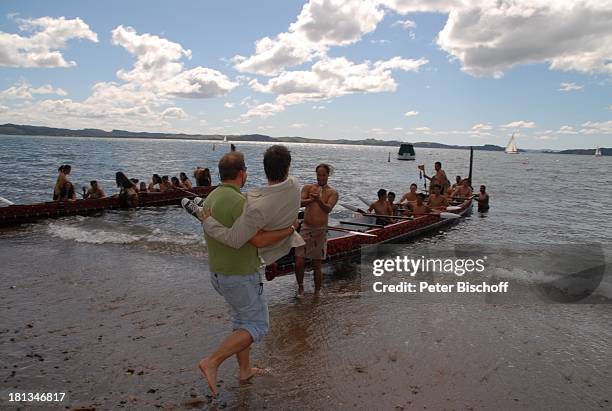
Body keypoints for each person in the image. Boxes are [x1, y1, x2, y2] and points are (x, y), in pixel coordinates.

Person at [195, 151, 300, 396]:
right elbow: (257, 240)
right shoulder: (241, 203)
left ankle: (245, 370)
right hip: (239, 275)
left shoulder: (211, 197)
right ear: (243, 173)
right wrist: (289, 230)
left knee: (242, 322)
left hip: (219, 273)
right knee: (258, 326)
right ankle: (212, 361)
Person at [200, 145, 304, 266]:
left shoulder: (255, 206)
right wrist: (291, 228)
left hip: (226, 267)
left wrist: (207, 222)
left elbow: (235, 239)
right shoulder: (295, 185)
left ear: (265, 169)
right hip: (278, 251)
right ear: (288, 168)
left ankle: (199, 209)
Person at [294, 164, 339, 297]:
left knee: (316, 265)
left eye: (324, 175)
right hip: (305, 228)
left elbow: (328, 209)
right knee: (299, 262)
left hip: (320, 231)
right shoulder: (308, 188)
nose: (321, 177)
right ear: (316, 174)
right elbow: (299, 202)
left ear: (328, 175)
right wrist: (310, 200)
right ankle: (301, 288)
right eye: (319, 175)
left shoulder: (332, 192)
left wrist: (319, 200)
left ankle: (317, 292)